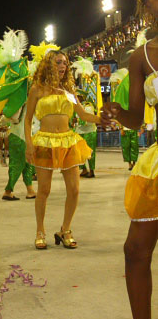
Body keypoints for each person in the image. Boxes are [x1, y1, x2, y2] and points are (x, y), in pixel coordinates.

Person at [101, 0, 158, 319]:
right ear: (145, 2)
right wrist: (120, 115)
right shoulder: (140, 57)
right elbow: (139, 117)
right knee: (135, 250)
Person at [24, 50, 101, 249]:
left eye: (65, 63)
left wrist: (104, 117)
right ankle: (40, 231)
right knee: (44, 190)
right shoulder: (37, 89)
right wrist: (29, 144)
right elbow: (27, 119)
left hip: (68, 141)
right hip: (44, 141)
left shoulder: (69, 90)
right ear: (48, 65)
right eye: (58, 62)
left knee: (74, 190)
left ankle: (65, 229)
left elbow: (83, 115)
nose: (63, 66)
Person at [2, 106, 36, 200]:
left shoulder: (18, 103)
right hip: (20, 137)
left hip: (22, 136)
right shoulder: (21, 103)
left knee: (28, 164)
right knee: (17, 165)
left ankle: (30, 190)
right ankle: (8, 191)